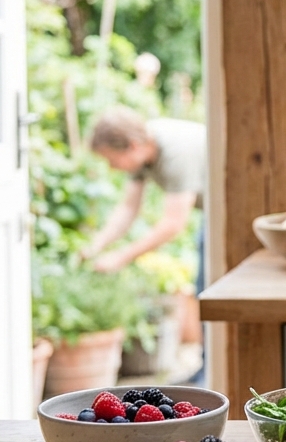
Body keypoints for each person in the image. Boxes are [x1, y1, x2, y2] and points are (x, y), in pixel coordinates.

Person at [84, 106, 207, 300]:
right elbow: (128, 208)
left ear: (132, 146)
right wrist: (95, 246)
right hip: (214, 211)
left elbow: (173, 224)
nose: (112, 168)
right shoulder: (142, 149)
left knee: (208, 287)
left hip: (234, 208)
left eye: (112, 161)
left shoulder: (175, 155)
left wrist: (121, 257)